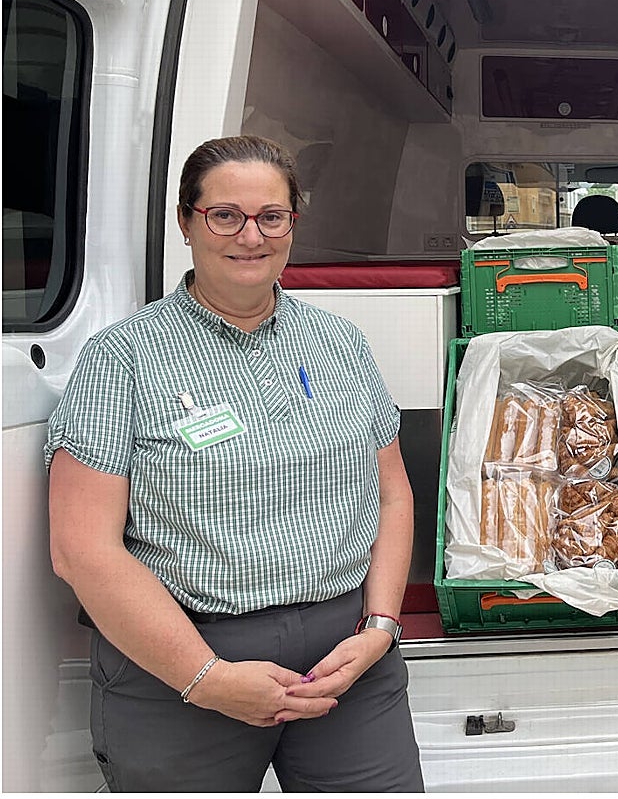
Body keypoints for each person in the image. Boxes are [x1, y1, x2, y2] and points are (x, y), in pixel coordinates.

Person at [46, 134, 425, 792]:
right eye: (225, 215)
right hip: (179, 670)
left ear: (292, 225)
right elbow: (82, 552)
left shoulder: (339, 344)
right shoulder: (123, 359)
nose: (251, 236)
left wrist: (383, 628)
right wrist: (206, 677)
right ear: (186, 222)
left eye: (271, 217)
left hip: (347, 665)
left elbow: (391, 492)